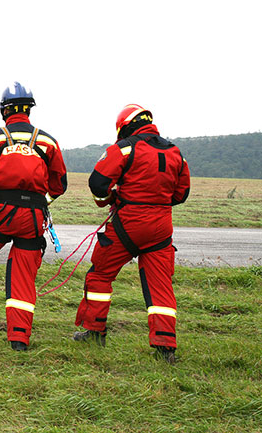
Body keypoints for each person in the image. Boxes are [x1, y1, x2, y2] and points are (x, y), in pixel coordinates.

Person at [72, 104, 191, 364]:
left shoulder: (125, 148)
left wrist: (109, 199)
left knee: (100, 275)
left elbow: (97, 183)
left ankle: (95, 331)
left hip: (128, 224)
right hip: (161, 228)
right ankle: (165, 348)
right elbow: (181, 195)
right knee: (160, 287)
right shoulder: (176, 153)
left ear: (125, 126)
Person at [0, 82, 68, 351]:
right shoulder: (48, 142)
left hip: (1, 213)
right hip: (33, 217)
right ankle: (19, 338)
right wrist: (40, 204)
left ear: (4, 110)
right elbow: (60, 184)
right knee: (22, 275)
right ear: (29, 110)